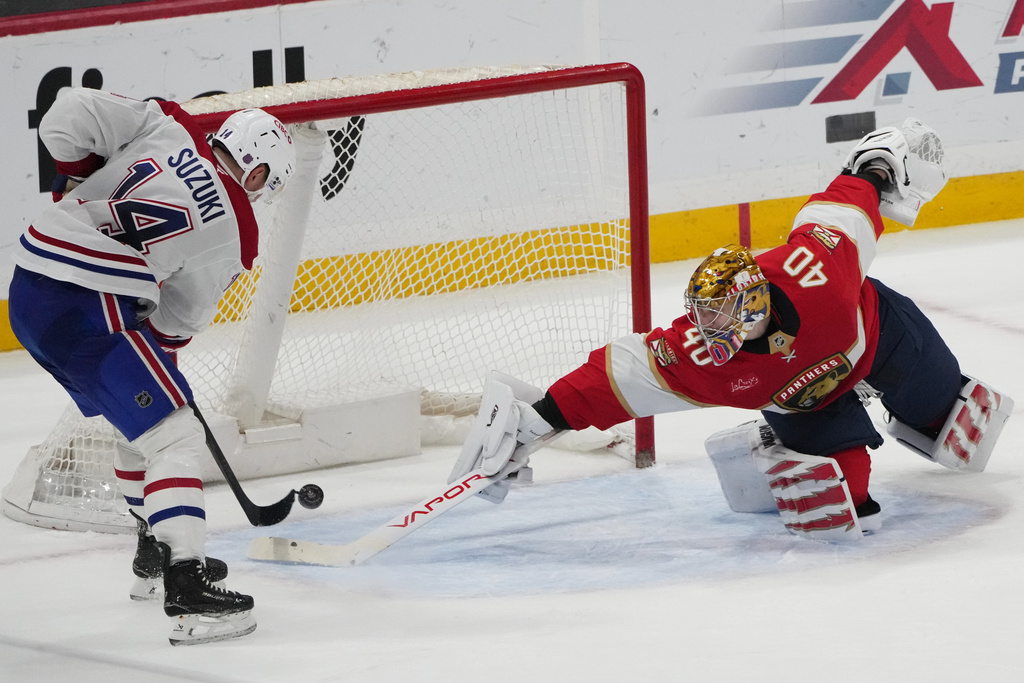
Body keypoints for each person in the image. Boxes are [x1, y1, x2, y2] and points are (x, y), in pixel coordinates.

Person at [450, 118, 1014, 540]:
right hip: (805, 404)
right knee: (845, 511)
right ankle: (768, 449)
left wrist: (882, 164)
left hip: (881, 341)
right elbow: (616, 375)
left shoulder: (821, 270)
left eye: (721, 317)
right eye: (703, 314)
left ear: (753, 305)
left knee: (964, 430)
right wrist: (538, 421)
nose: (707, 329)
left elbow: (850, 197)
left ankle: (901, 403)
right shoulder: (696, 354)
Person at [7, 87, 296, 644]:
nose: (260, 195)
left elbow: (64, 117)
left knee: (139, 424)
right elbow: (176, 322)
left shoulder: (172, 123)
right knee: (176, 435)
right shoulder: (239, 232)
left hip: (29, 287)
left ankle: (153, 551)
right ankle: (187, 587)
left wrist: (79, 179)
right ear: (257, 173)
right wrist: (160, 359)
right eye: (266, 185)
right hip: (86, 303)